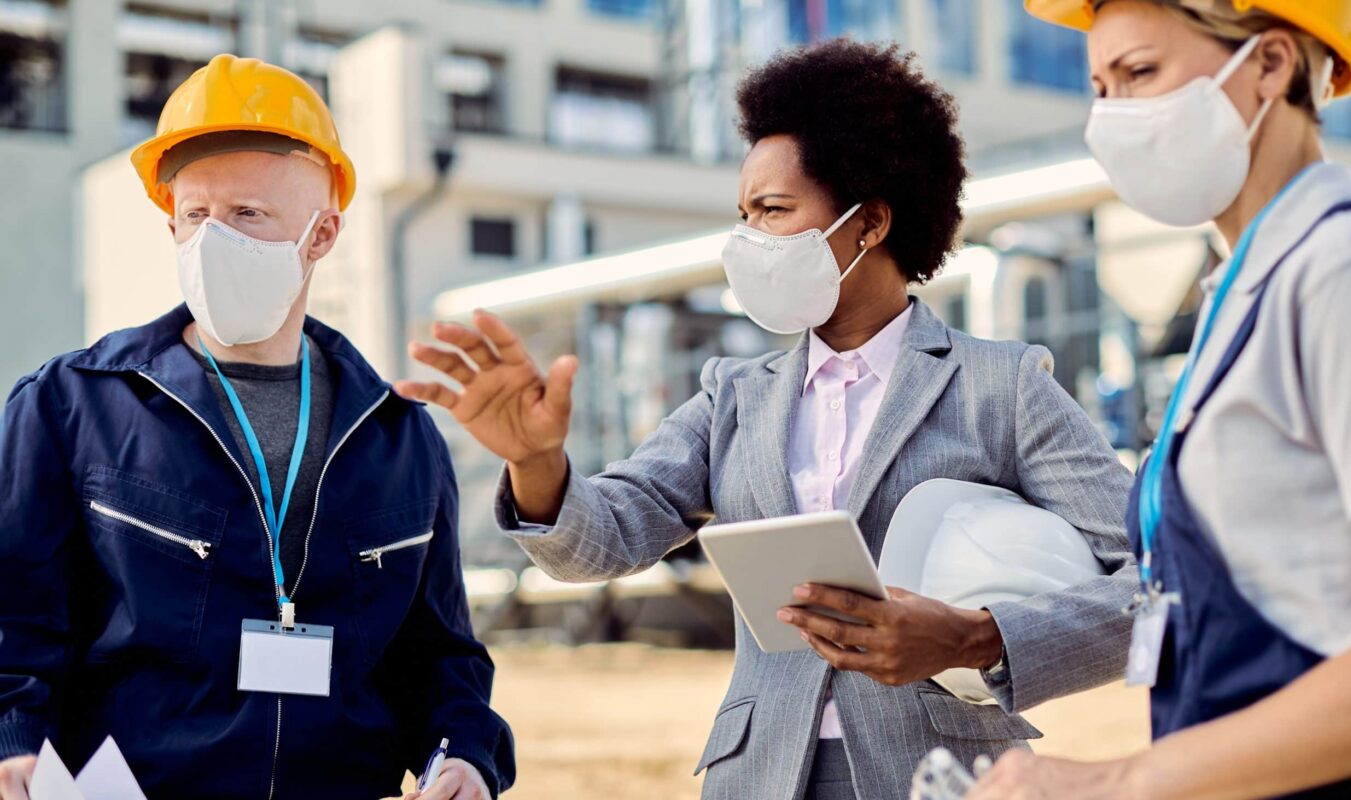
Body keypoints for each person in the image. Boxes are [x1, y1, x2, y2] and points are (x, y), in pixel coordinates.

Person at [398, 39, 1138, 800]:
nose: (747, 239)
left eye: (773, 211)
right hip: (758, 774)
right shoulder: (734, 395)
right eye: (743, 214)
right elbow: (608, 535)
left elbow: (1149, 585)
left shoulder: (1000, 385)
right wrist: (537, 464)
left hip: (941, 771)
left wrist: (979, 637)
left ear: (870, 222)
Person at [0, 55, 513, 800]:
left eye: (247, 215)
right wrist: (12, 745)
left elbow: (439, 658)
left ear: (321, 234)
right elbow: (12, 624)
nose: (212, 241)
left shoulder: (399, 437)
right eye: (195, 215)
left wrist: (463, 755)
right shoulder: (68, 407)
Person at [966, 2, 1351, 797]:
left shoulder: (1347, 266)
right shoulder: (1242, 288)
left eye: (1140, 73)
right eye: (1101, 87)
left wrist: (1117, 782)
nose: (1112, 118)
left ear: (1270, 65)